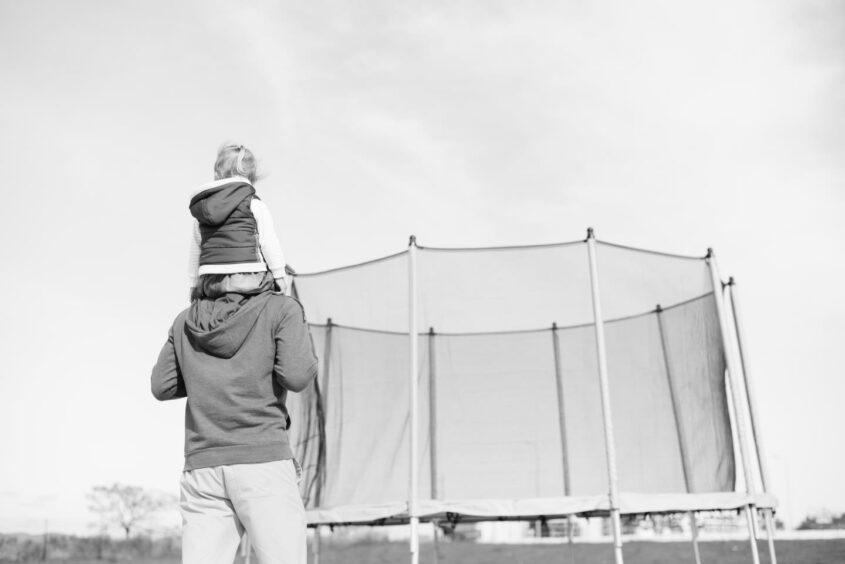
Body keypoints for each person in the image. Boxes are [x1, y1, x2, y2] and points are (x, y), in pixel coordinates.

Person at [151, 272, 318, 564]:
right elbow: (297, 375)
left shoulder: (186, 320)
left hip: (203, 467)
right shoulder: (280, 308)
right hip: (262, 460)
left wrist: (205, 375)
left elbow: (162, 386)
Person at [188, 144, 288, 301]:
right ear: (252, 175)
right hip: (248, 279)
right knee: (272, 281)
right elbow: (268, 241)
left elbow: (196, 250)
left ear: (217, 174)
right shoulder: (254, 204)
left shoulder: (202, 209)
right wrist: (279, 275)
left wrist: (194, 284)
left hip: (211, 282)